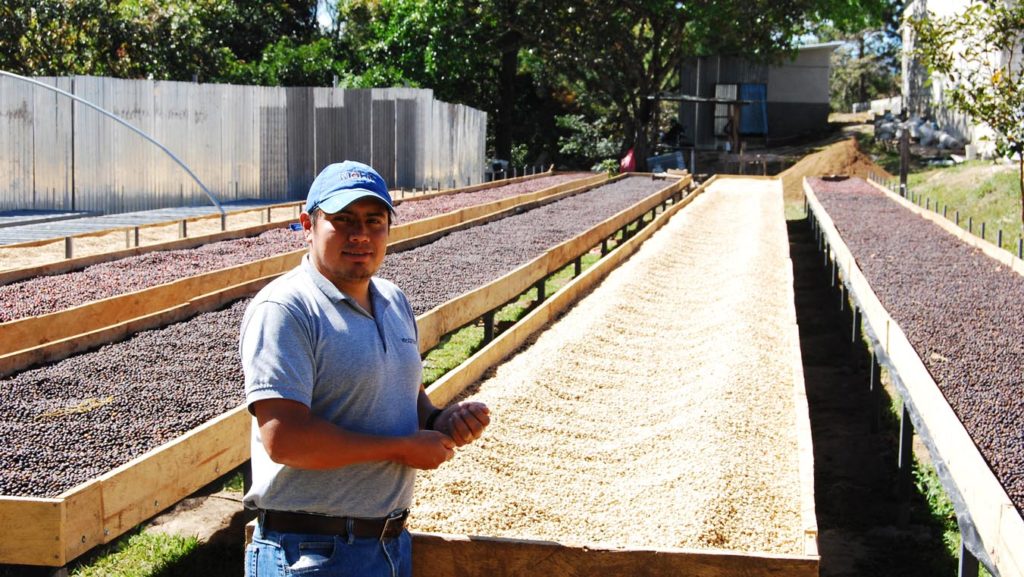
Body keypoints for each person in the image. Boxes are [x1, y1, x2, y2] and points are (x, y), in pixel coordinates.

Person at [240, 160, 490, 577]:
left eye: (374, 221)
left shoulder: (394, 301)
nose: (360, 235)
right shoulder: (287, 309)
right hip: (311, 554)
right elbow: (285, 440)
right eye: (343, 220)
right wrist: (400, 449)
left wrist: (438, 418)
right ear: (308, 223)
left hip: (388, 545)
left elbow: (401, 390)